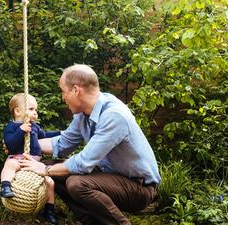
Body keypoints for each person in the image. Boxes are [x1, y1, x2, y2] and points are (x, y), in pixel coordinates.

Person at [20, 64, 161, 225]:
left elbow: (83, 163)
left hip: (139, 188)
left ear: (75, 90)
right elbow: (62, 143)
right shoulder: (83, 114)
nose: (63, 97)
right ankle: (92, 221)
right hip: (110, 177)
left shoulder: (114, 116)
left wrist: (46, 170)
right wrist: (22, 145)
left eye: (63, 91)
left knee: (76, 183)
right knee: (50, 169)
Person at [0, 93, 60, 224]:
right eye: (31, 109)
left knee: (50, 182)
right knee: (10, 164)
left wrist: (61, 132)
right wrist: (21, 130)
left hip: (34, 163)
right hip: (18, 159)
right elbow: (10, 144)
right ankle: (5, 186)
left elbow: (44, 135)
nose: (35, 113)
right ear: (17, 111)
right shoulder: (11, 127)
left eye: (36, 110)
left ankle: (49, 210)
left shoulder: (35, 126)